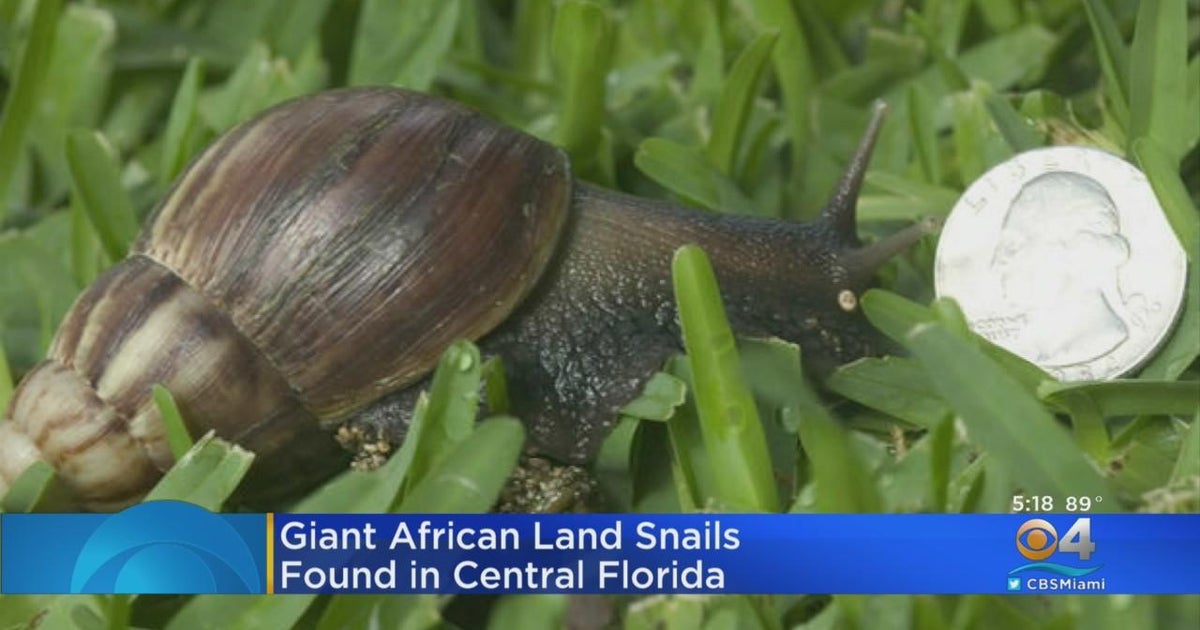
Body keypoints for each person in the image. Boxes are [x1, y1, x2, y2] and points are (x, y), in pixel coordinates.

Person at [988, 171, 1138, 368]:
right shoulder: (1032, 350)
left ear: (1076, 247)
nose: (996, 263)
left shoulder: (1098, 341)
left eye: (1013, 245)